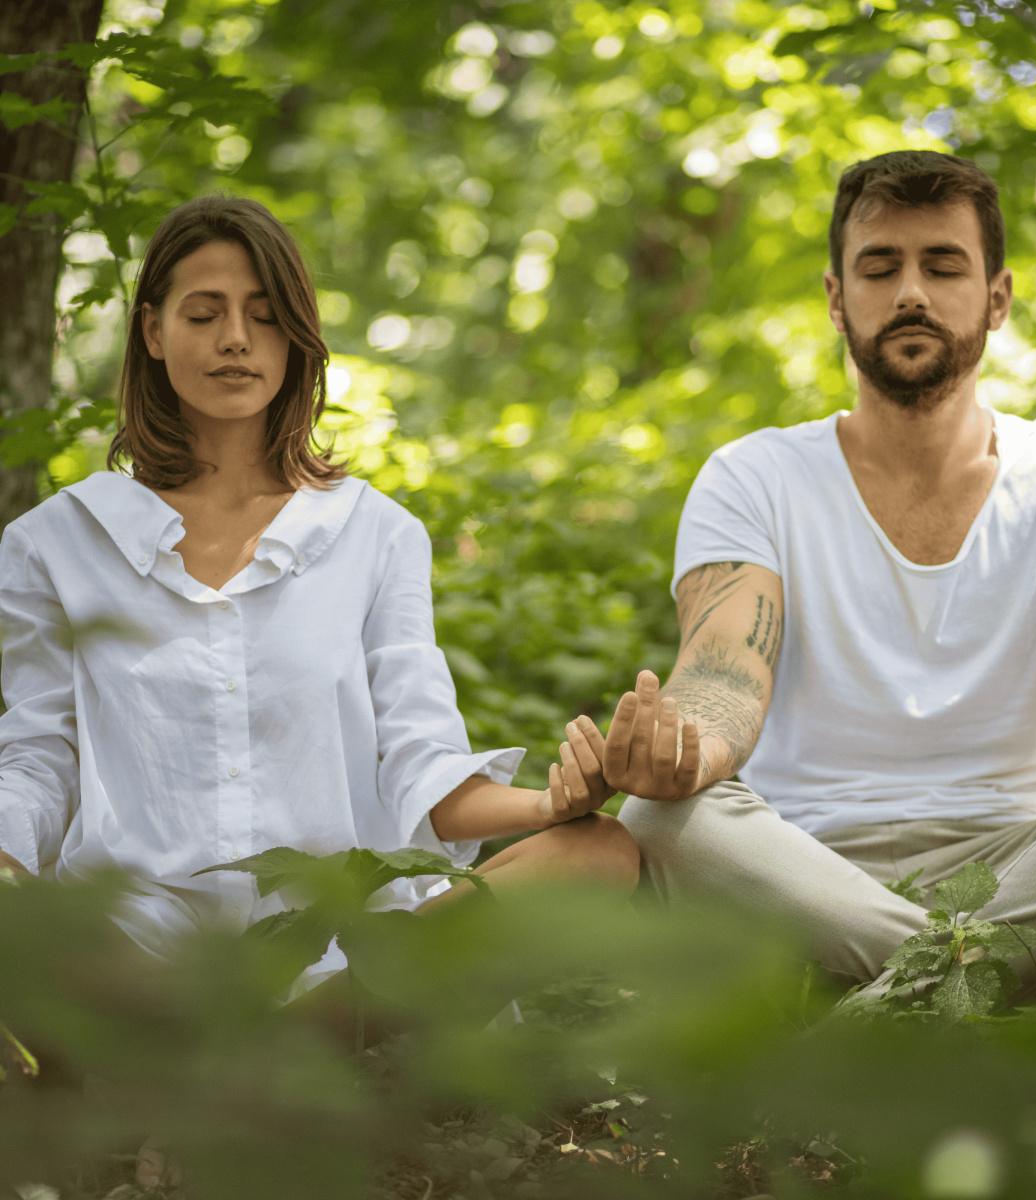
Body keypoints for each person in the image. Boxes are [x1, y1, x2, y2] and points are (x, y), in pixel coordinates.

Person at [573, 149, 1036, 1001]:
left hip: (1027, 863)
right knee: (662, 814)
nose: (912, 292)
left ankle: (883, 1004)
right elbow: (724, 666)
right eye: (880, 266)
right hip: (802, 870)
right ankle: (1022, 988)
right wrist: (684, 749)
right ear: (838, 299)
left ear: (997, 298)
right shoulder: (754, 475)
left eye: (944, 265)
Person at [0, 194, 636, 992]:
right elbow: (38, 760)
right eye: (204, 314)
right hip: (135, 960)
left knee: (597, 853)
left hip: (341, 959)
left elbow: (423, 769)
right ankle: (264, 1068)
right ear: (152, 333)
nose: (236, 338)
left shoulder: (376, 534)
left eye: (264, 316)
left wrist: (556, 802)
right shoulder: (55, 544)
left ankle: (278, 1054)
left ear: (297, 338)